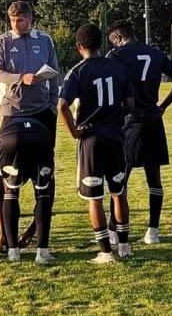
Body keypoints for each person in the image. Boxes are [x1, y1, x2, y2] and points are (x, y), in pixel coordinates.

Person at [57, 23, 134, 264]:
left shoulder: (78, 71)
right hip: (115, 137)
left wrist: (73, 131)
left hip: (91, 139)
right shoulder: (118, 67)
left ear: (79, 47)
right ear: (101, 44)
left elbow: (61, 105)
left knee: (95, 197)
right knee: (119, 193)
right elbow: (130, 103)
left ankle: (105, 252)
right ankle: (124, 245)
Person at [0, 0, 59, 252]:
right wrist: (21, 77)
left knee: (45, 174)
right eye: (12, 21)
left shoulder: (45, 40)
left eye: (20, 20)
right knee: (4, 173)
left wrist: (52, 105)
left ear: (30, 19)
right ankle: (4, 235)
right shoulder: (3, 42)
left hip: (42, 113)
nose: (16, 25)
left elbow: (54, 73)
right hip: (12, 114)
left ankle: (36, 233)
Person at [107, 20, 172, 244]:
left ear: (117, 39)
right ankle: (152, 232)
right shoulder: (155, 53)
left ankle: (114, 231)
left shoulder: (116, 56)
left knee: (120, 179)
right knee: (154, 179)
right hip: (154, 120)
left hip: (129, 122)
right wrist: (164, 105)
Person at [0, 116, 55, 264]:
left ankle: (13, 251)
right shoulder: (41, 115)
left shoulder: (4, 125)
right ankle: (42, 252)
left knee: (10, 192)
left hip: (9, 138)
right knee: (43, 194)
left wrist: (1, 233)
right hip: (41, 136)